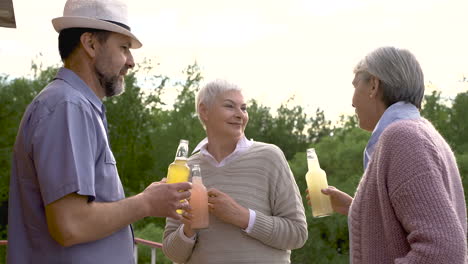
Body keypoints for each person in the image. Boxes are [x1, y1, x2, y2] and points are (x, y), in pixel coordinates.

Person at [7, 0, 191, 263]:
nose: (131, 62)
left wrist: (150, 198)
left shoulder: (76, 106)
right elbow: (70, 225)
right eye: (124, 47)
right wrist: (147, 203)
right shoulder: (67, 106)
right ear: (90, 44)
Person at [309, 46, 467, 263]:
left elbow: (443, 251)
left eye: (355, 86)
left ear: (374, 85)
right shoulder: (422, 133)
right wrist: (355, 208)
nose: (352, 101)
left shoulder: (403, 138)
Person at [162, 80, 308, 263]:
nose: (240, 115)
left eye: (244, 108)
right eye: (230, 106)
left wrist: (243, 216)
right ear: (204, 111)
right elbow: (172, 253)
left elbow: (297, 234)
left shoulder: (270, 157)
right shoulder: (184, 169)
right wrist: (188, 229)